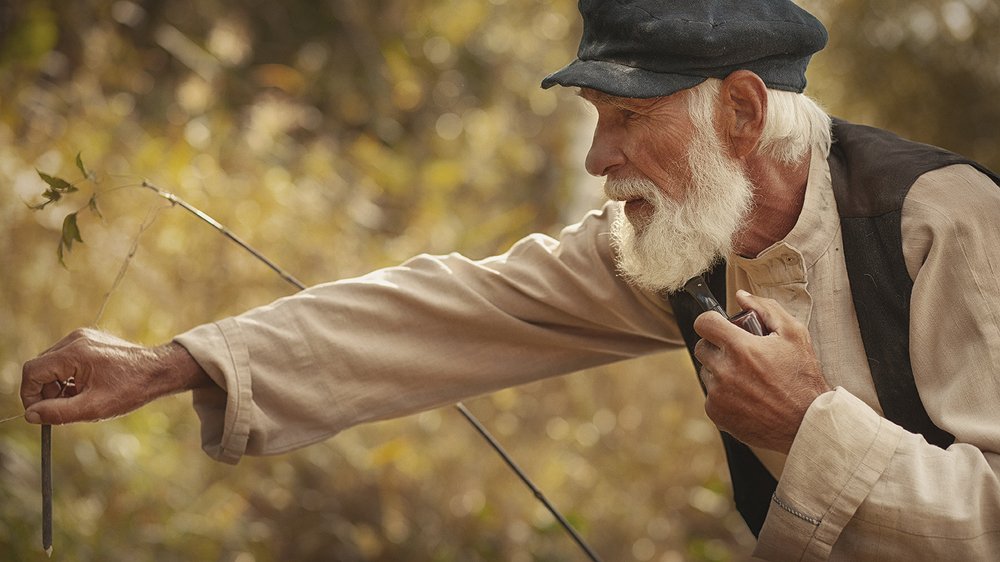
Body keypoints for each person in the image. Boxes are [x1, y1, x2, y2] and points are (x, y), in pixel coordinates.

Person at [19, 0, 1000, 559]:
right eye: (592, 115)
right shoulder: (679, 242)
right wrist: (170, 365)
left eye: (626, 118)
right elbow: (444, 311)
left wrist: (806, 427)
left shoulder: (942, 220)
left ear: (741, 112)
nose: (595, 159)